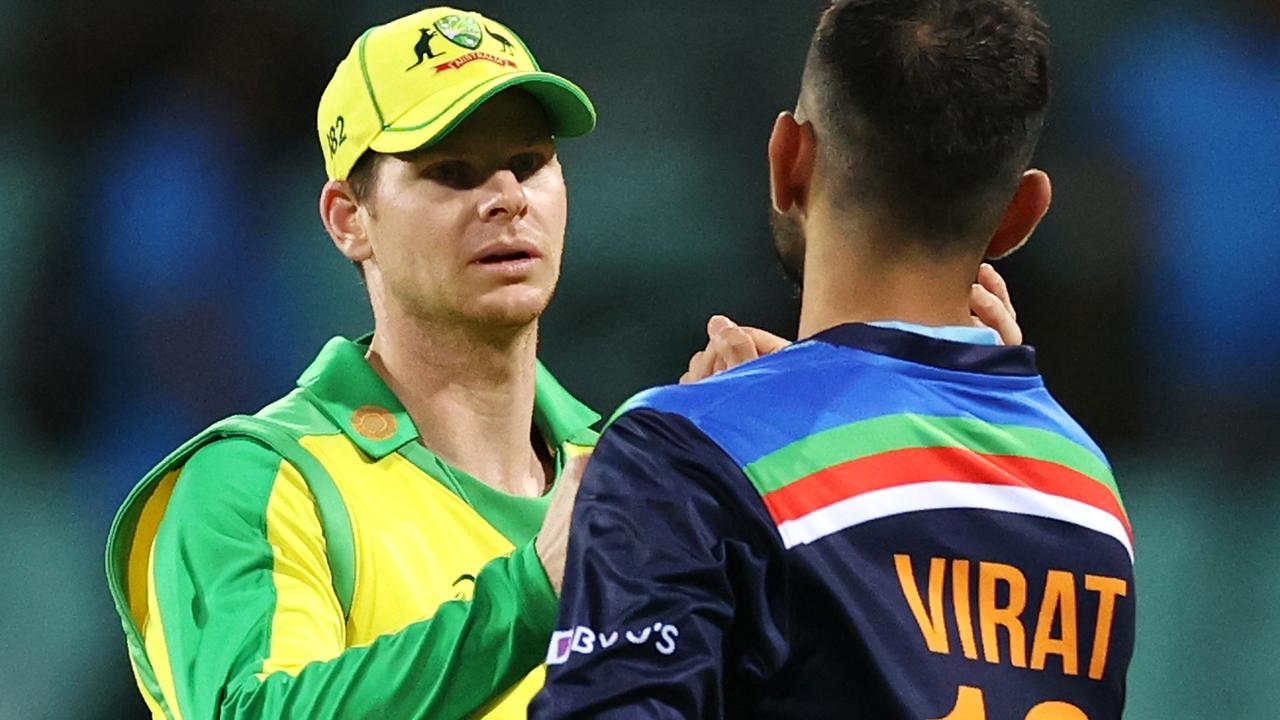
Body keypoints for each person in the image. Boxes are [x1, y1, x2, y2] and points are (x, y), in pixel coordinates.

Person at [103, 6, 1024, 720]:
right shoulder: (251, 484)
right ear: (350, 219)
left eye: (528, 162)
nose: (505, 197)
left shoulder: (636, 469)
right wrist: (539, 588)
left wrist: (948, 454)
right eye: (452, 173)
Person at [532, 1, 1134, 718]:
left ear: (789, 158)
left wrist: (708, 449)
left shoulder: (685, 451)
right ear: (1022, 215)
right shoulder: (1088, 489)